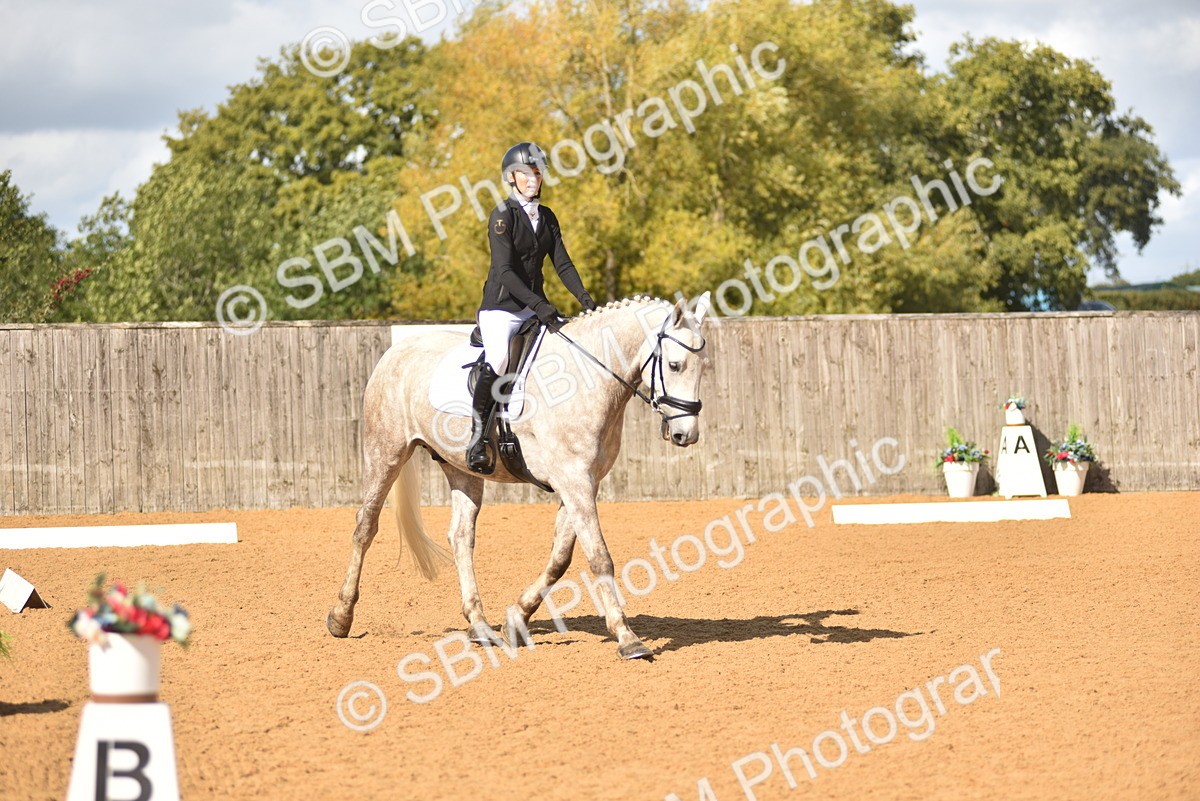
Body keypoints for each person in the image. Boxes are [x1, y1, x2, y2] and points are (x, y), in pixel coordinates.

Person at [466, 141, 598, 473]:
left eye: (537, 173)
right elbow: (505, 271)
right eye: (525, 174)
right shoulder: (502, 216)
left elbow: (563, 264)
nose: (532, 179)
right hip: (501, 308)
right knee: (498, 358)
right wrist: (539, 303)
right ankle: (478, 437)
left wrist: (585, 299)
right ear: (511, 177)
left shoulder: (547, 217)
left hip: (532, 307)